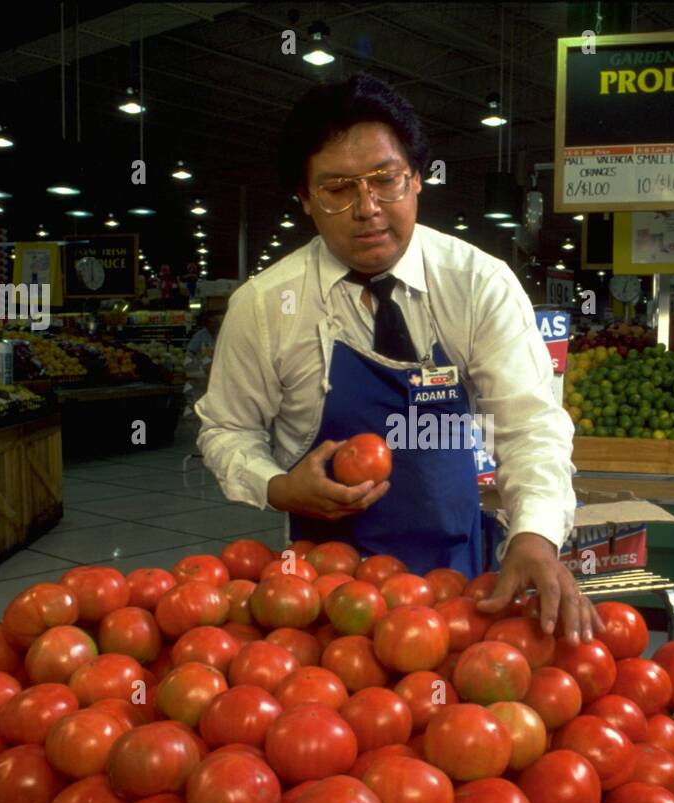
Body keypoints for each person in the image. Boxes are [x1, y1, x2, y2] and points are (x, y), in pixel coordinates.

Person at [196, 74, 601, 643]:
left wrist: (534, 536)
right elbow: (226, 429)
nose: (368, 208)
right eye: (338, 188)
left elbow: (529, 425)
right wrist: (277, 486)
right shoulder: (265, 307)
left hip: (457, 583)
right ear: (306, 199)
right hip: (319, 597)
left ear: (416, 180)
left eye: (386, 180)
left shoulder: (477, 284)